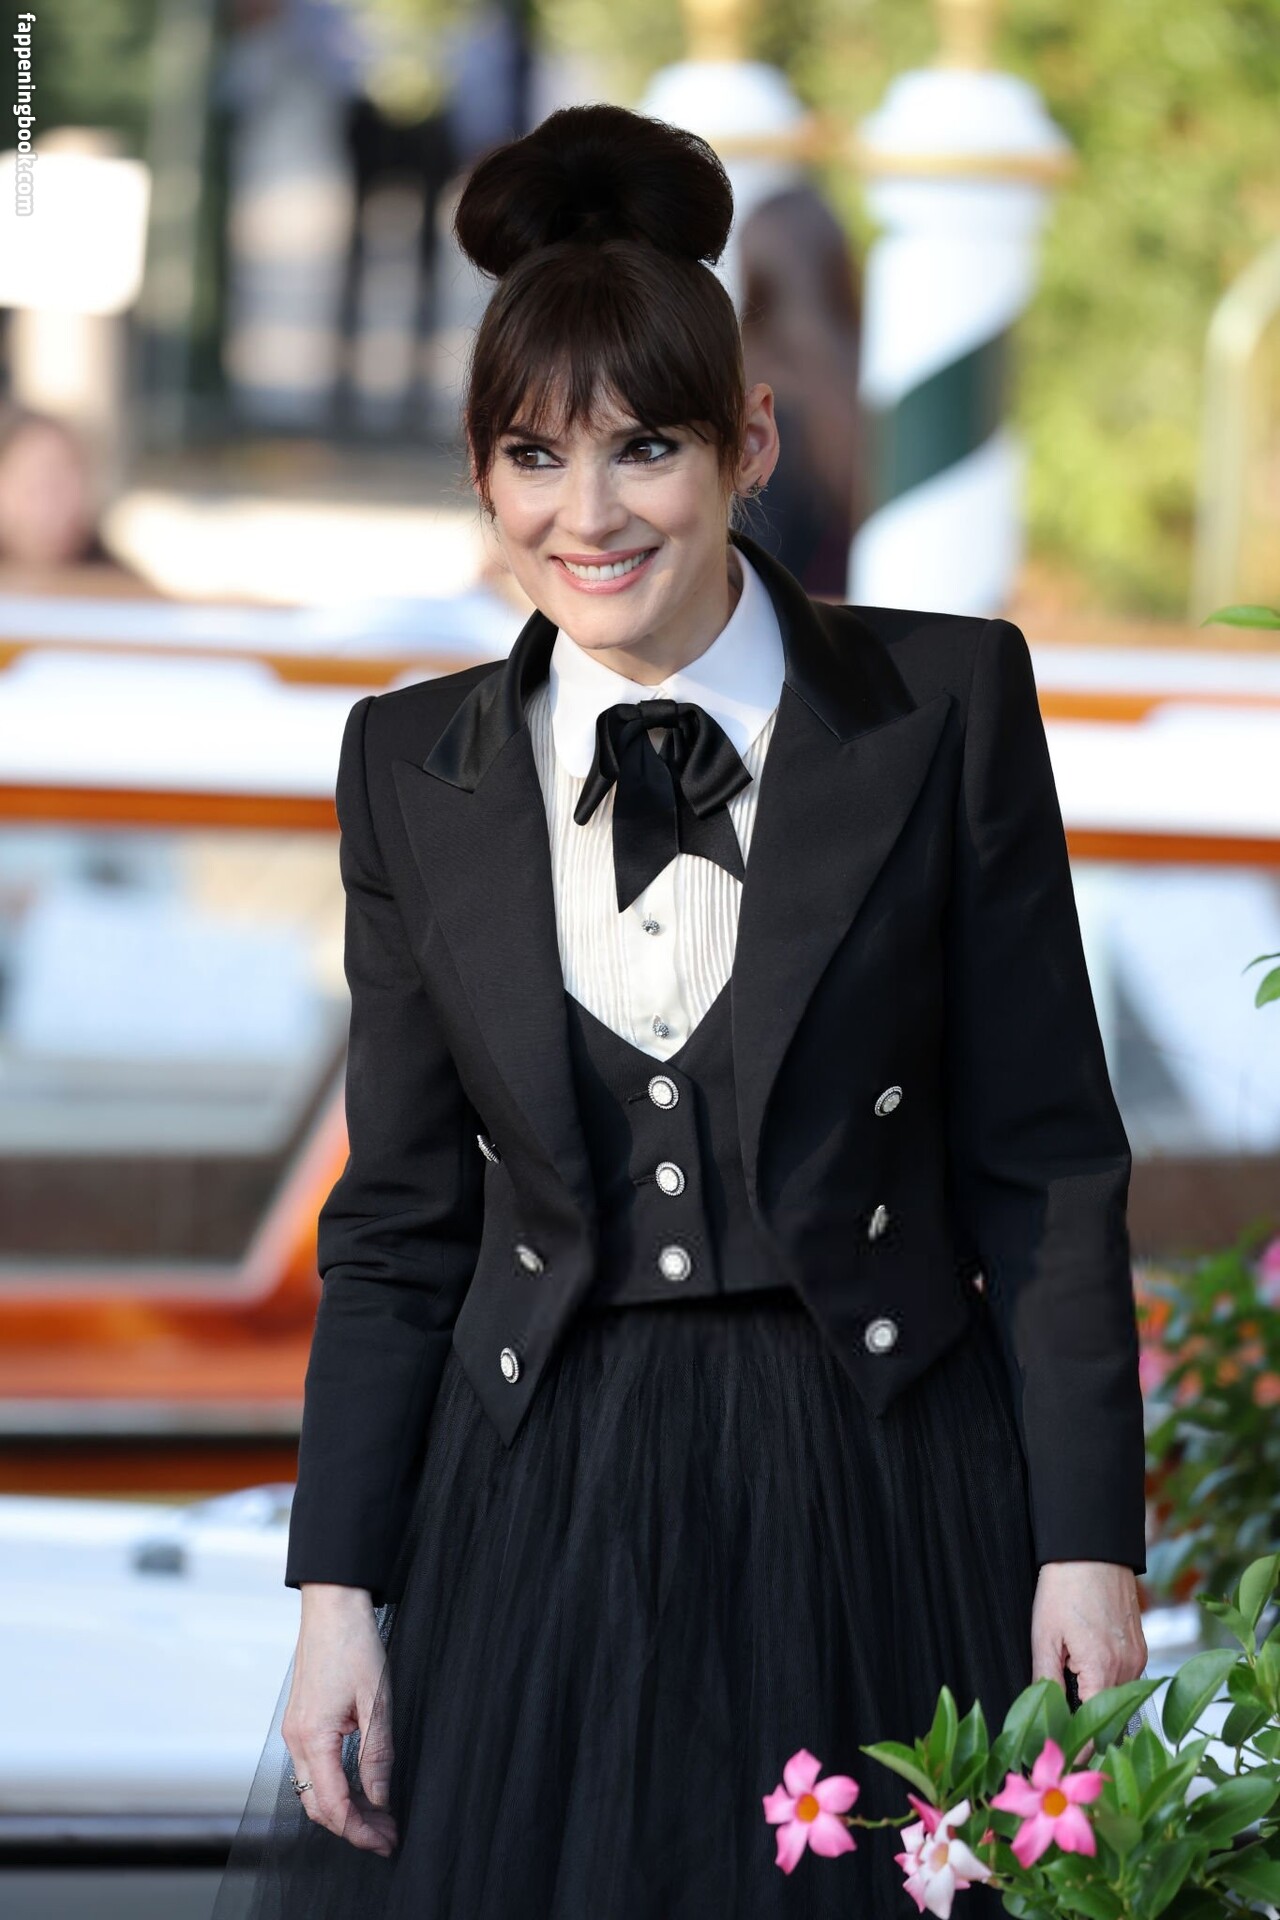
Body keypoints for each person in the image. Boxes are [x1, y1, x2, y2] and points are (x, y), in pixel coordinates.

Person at [211, 103, 1149, 1920]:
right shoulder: (409, 766)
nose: (588, 515)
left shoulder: (947, 706)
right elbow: (398, 1224)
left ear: (750, 443)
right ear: (482, 477)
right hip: (534, 1522)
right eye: (533, 456)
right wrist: (338, 1592)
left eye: (645, 446)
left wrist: (1087, 1544)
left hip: (886, 1490)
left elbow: (1047, 1165)